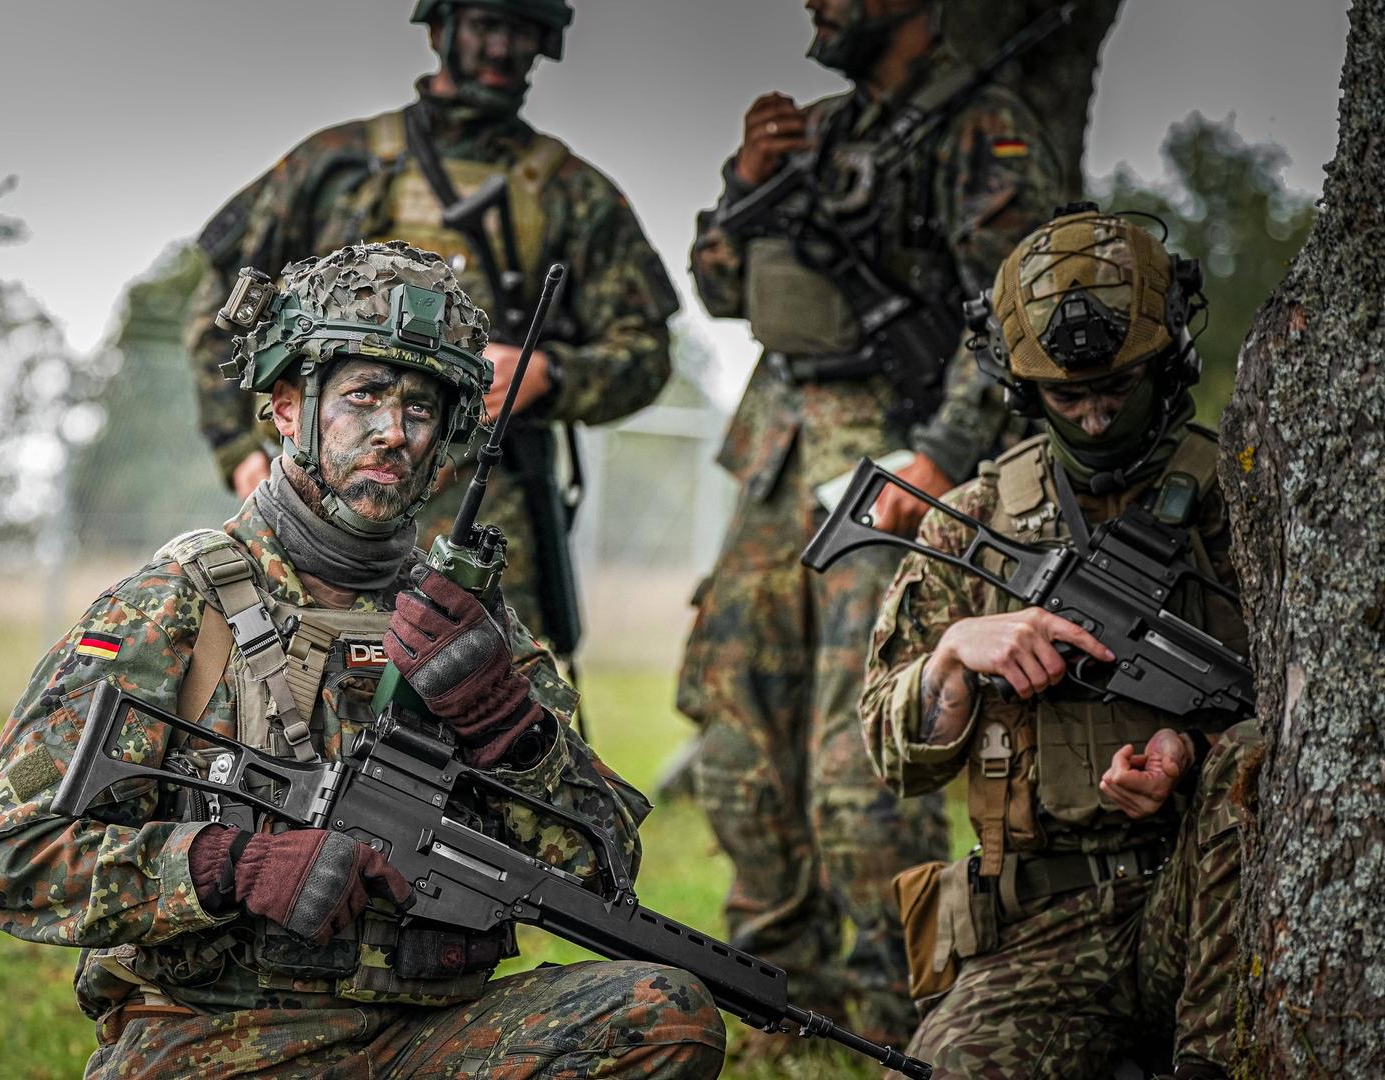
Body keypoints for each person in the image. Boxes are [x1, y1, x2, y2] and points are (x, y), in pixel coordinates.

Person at [0, 242, 724, 1079]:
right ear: (288, 406)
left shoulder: (470, 623)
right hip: (215, 1043)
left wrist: (508, 723)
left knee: (661, 1017)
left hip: (425, 1042)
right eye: (365, 395)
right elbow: (11, 858)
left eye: (424, 408)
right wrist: (229, 867)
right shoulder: (174, 603)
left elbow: (602, 865)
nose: (394, 432)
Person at [674, 0, 1064, 1043]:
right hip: (776, 459)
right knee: (736, 744)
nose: (818, 7)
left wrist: (942, 452)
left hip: (896, 466)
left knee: (867, 762)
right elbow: (719, 287)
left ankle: (895, 1017)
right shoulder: (821, 132)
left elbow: (1016, 312)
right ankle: (770, 1007)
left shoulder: (983, 128)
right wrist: (744, 188)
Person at [861, 206, 1258, 1079]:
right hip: (1042, 926)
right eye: (1064, 395)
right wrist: (955, 655)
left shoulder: (1244, 503)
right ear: (1021, 388)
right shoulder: (972, 523)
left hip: (1214, 904)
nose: (1089, 418)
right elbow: (890, 755)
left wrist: (1189, 750)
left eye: (1116, 388)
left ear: (1168, 366)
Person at [185, 0, 679, 647]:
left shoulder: (573, 195)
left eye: (521, 32)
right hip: (321, 507)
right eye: (486, 26)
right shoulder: (335, 166)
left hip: (485, 511)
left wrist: (550, 375)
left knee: (485, 707)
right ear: (441, 28)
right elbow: (220, 310)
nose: (502, 49)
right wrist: (237, 452)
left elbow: (645, 352)